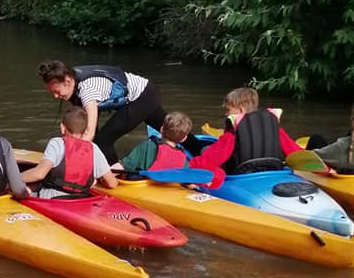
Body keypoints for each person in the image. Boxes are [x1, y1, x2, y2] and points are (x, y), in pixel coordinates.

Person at [36, 59, 206, 164]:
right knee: (171, 130)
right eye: (52, 92)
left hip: (142, 96)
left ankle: (114, 174)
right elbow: (81, 127)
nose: (56, 96)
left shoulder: (87, 90)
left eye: (57, 91)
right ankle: (201, 150)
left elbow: (89, 133)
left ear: (67, 81)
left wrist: (67, 158)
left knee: (104, 140)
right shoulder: (72, 82)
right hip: (142, 94)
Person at [188, 87, 303, 174]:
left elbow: (213, 158)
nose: (226, 114)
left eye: (229, 110)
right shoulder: (273, 126)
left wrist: (190, 166)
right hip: (272, 170)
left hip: (242, 175)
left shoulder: (233, 132)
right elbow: (294, 152)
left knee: (206, 150)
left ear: (241, 109)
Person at [20, 106, 119, 198]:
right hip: (80, 199)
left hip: (51, 199)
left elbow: (39, 174)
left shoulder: (57, 143)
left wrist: (15, 178)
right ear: (85, 131)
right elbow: (112, 183)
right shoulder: (94, 149)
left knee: (26, 188)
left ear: (63, 127)